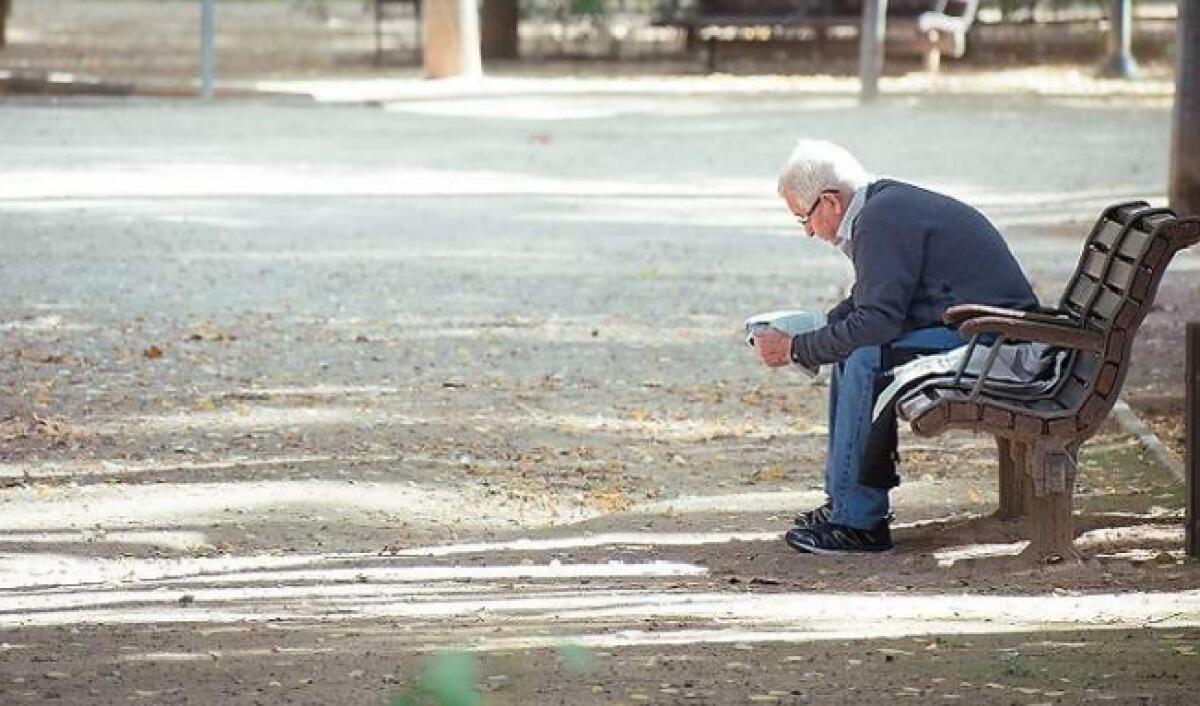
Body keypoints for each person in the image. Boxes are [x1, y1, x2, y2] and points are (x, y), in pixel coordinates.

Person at [752, 139, 1038, 555]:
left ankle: (859, 522)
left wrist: (798, 348)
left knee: (866, 355)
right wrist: (816, 332)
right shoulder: (883, 208)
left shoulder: (879, 219)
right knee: (856, 348)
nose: (809, 233)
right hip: (984, 333)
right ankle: (843, 504)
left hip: (999, 345)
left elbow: (876, 323)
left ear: (830, 202)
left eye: (805, 220)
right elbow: (872, 302)